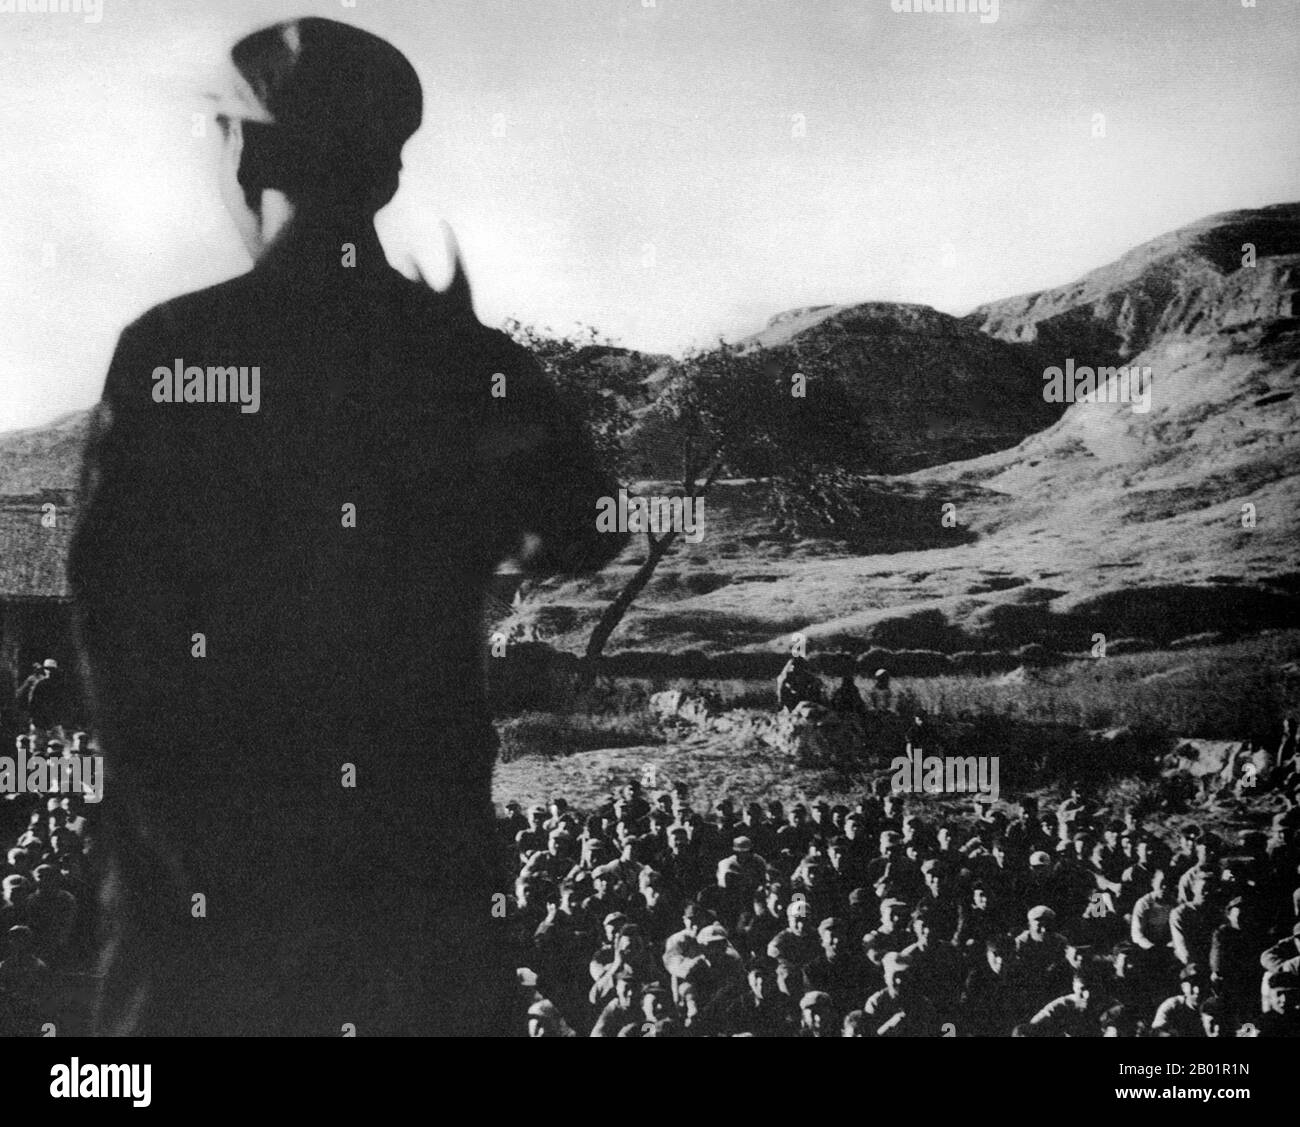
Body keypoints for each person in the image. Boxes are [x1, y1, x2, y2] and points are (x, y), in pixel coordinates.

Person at [68, 17, 624, 1037]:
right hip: (418, 903)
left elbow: (119, 634)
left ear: (253, 156)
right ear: (388, 178)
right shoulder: (457, 357)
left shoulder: (174, 348)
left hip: (214, 910)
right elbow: (588, 525)